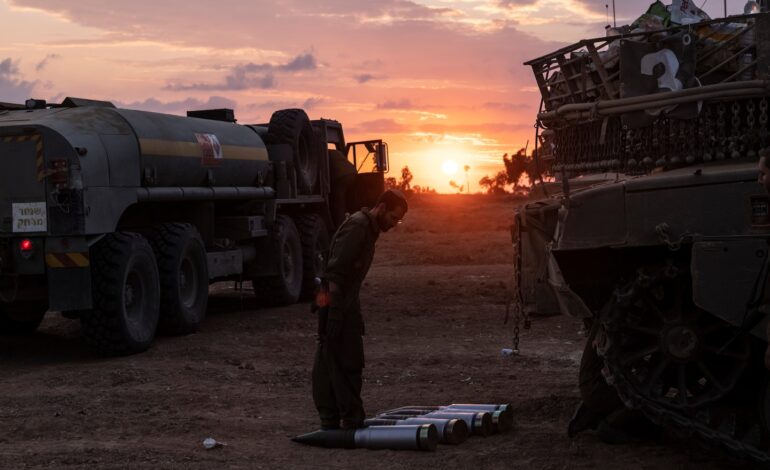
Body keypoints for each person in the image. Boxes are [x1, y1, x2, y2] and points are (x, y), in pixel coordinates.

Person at [311, 189, 408, 430]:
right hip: (334, 299)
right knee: (335, 358)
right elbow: (335, 272)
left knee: (340, 357)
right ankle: (337, 417)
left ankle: (338, 416)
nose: (395, 224)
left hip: (343, 300)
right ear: (382, 208)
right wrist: (334, 312)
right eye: (393, 218)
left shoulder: (368, 228)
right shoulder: (358, 227)